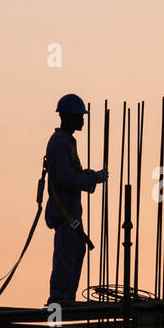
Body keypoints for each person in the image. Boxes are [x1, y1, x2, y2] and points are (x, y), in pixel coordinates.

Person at [45, 94, 107, 305]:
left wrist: (90, 176)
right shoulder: (61, 143)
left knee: (76, 250)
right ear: (68, 117)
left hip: (70, 212)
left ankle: (66, 299)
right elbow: (66, 177)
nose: (82, 120)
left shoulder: (66, 142)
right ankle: (59, 300)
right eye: (79, 116)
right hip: (65, 213)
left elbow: (70, 174)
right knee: (65, 256)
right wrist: (94, 178)